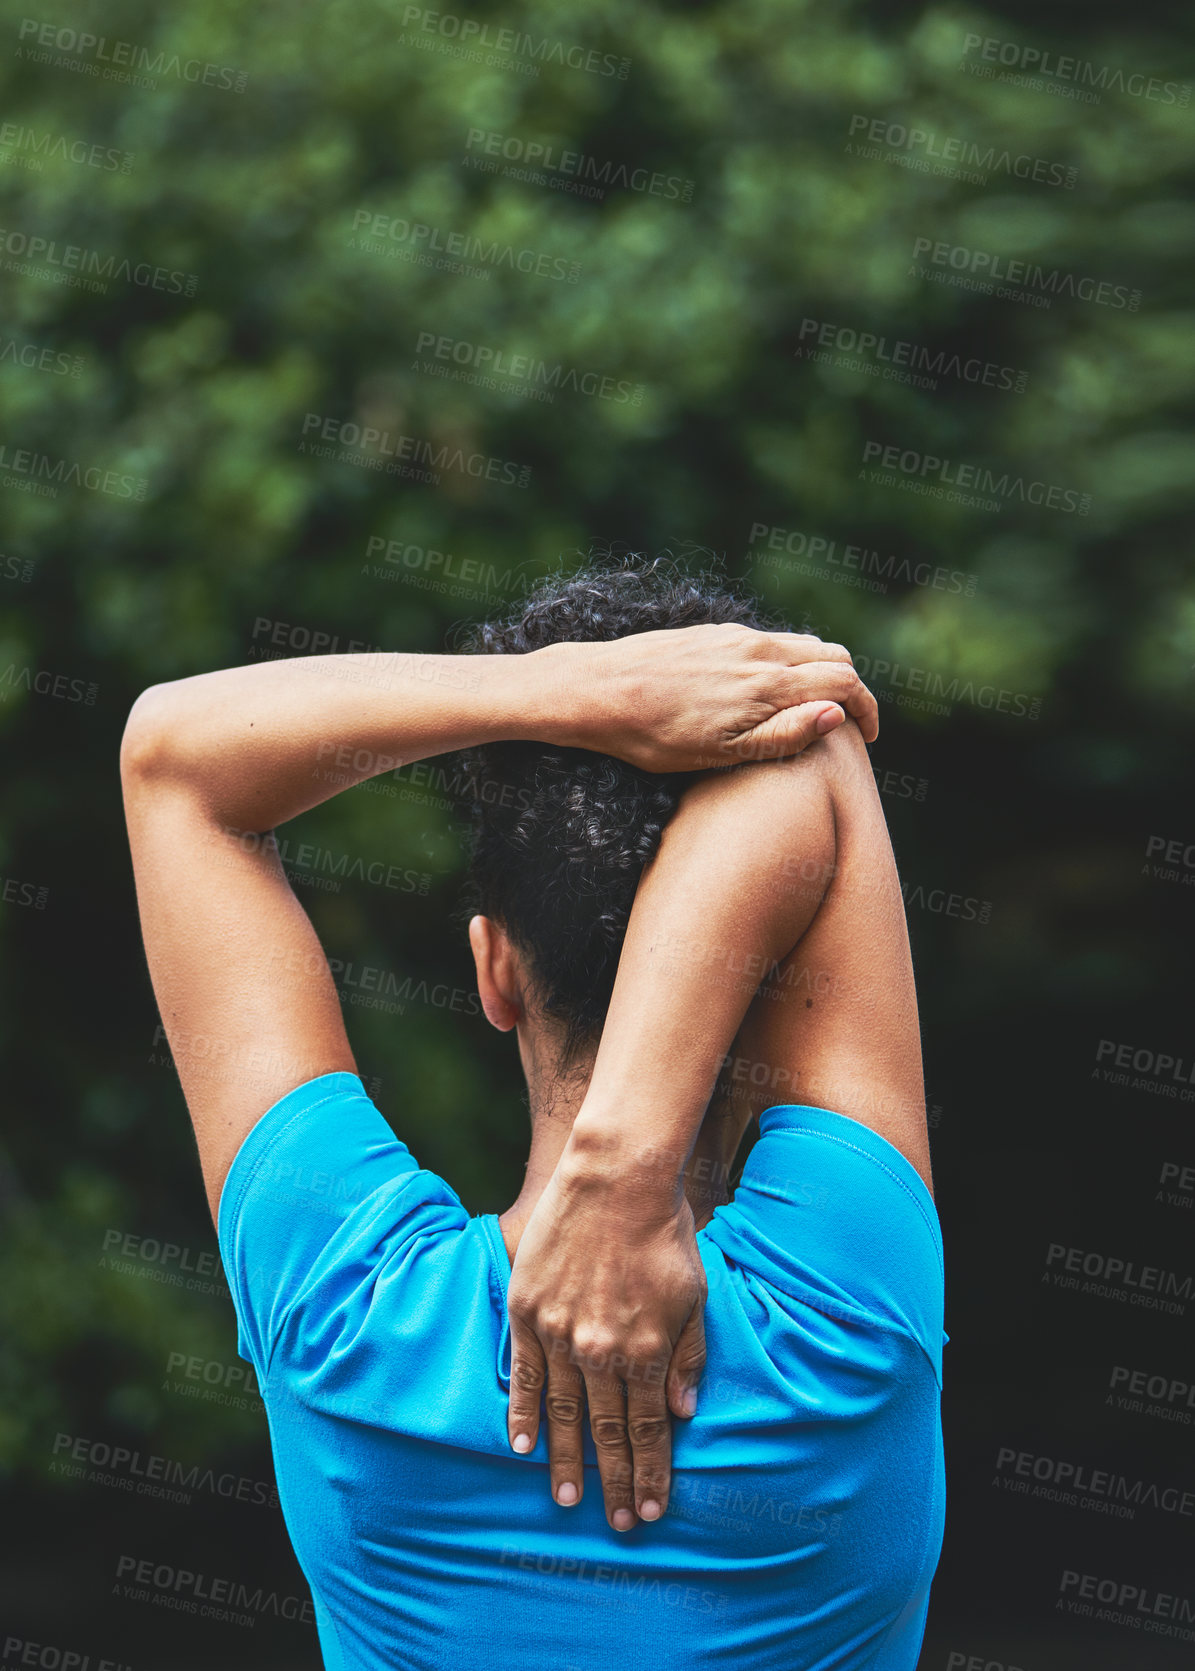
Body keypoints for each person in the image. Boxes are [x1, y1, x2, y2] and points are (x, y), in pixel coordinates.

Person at [120, 557, 945, 1671]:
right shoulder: (845, 1317)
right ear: (784, 970)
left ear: (492, 970)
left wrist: (560, 692)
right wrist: (627, 1166)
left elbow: (175, 762)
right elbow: (815, 746)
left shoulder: (347, 1310)